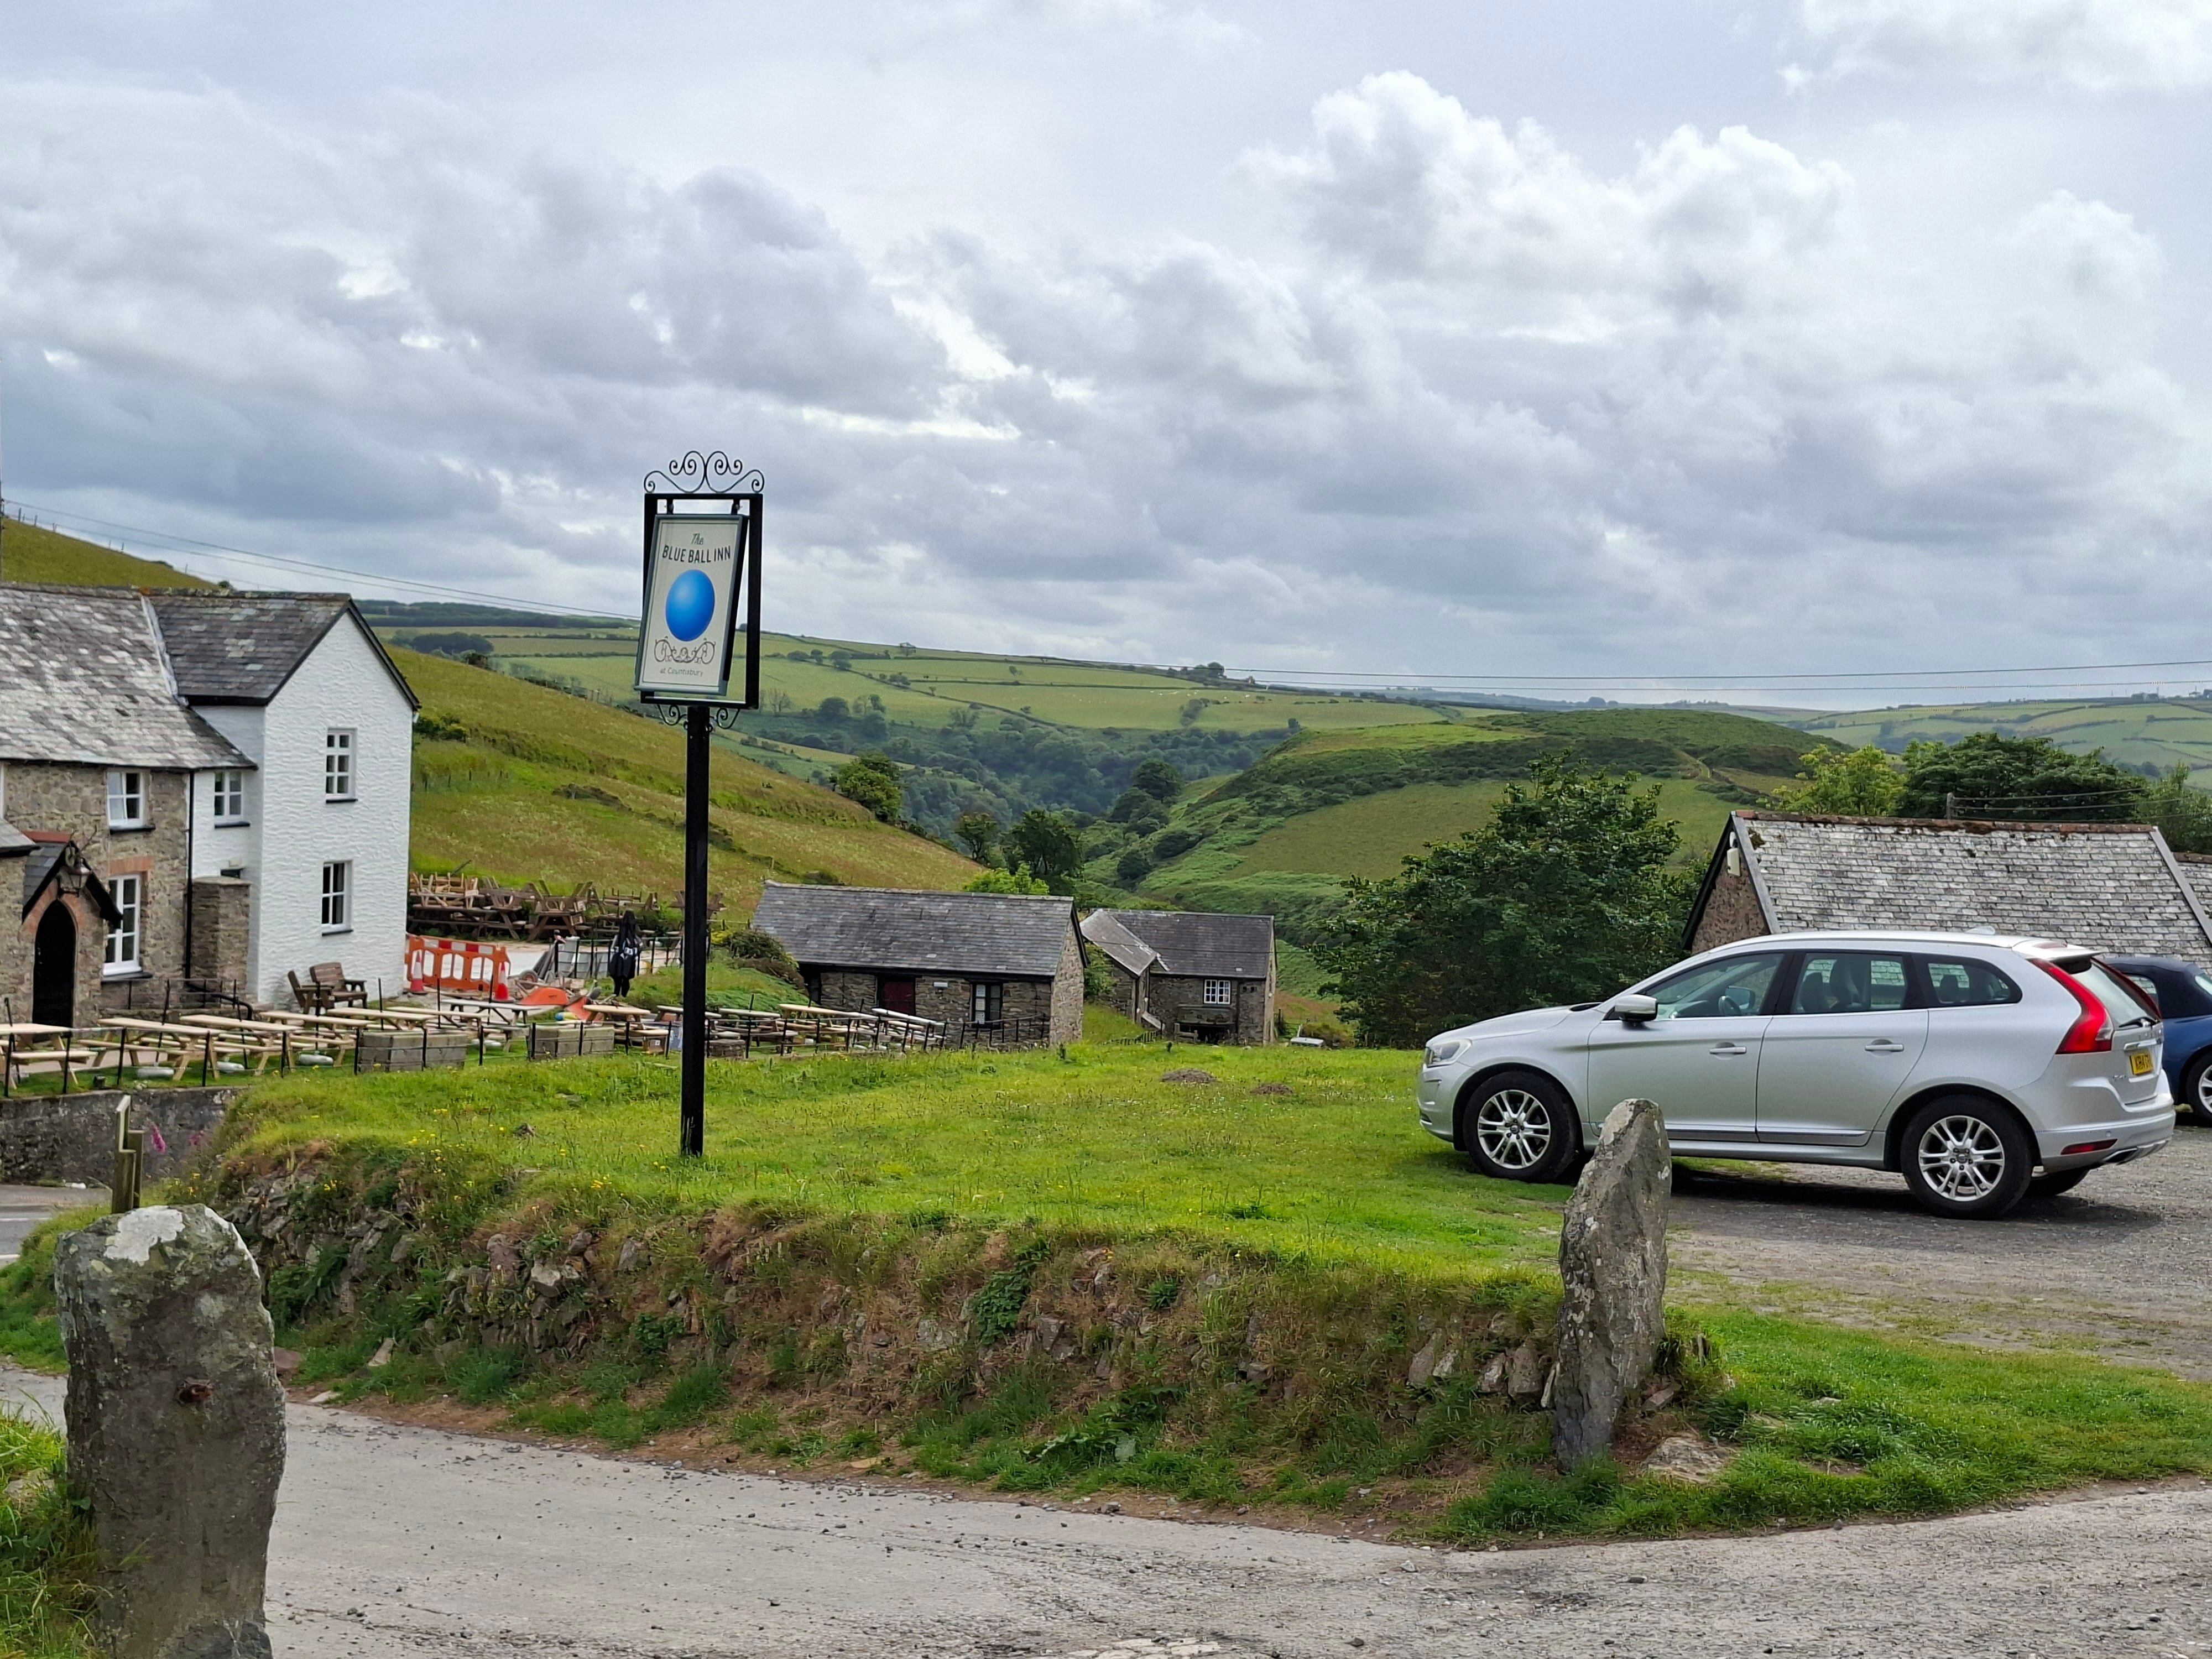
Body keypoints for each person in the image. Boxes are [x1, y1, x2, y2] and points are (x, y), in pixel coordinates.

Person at [609, 911, 643, 1001]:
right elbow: (640, 947)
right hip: (629, 958)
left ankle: (617, 995)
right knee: (625, 978)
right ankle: (623, 996)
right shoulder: (633, 934)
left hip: (620, 958)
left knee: (618, 979)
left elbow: (614, 947)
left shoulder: (622, 932)